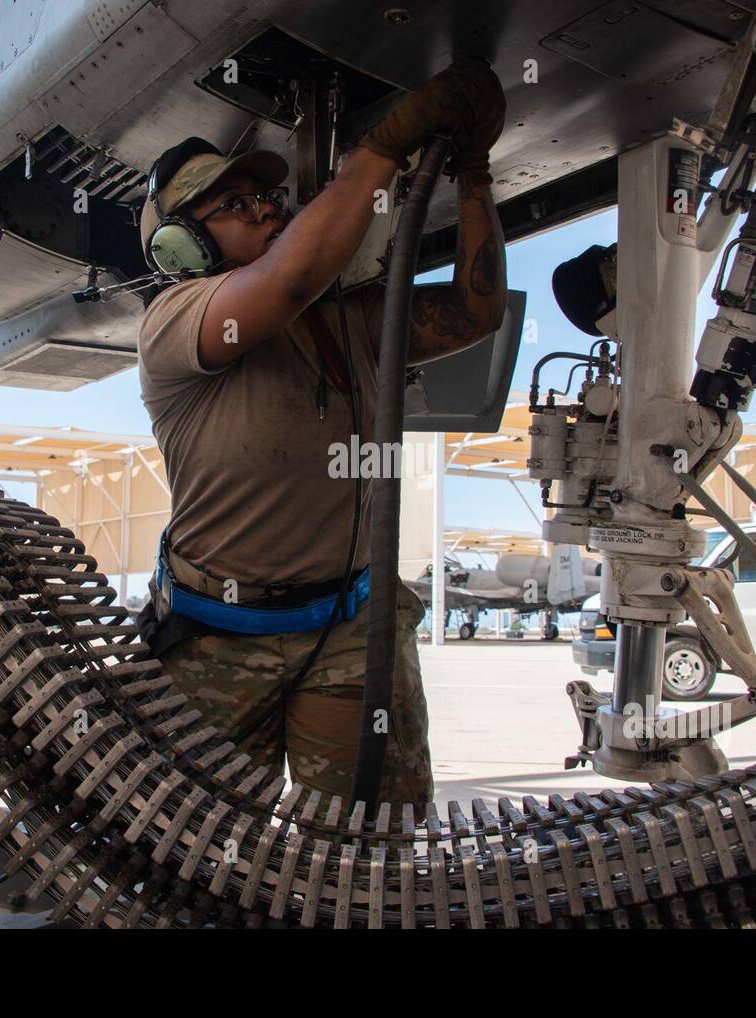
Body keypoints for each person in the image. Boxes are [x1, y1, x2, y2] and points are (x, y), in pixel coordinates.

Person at [135, 57, 507, 809]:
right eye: (235, 205)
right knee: (195, 854)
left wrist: (474, 175)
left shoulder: (350, 323)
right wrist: (386, 145)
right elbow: (289, 283)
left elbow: (476, 311)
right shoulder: (174, 320)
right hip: (219, 638)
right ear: (183, 248)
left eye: (267, 196)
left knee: (368, 855)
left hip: (352, 627)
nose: (266, 210)